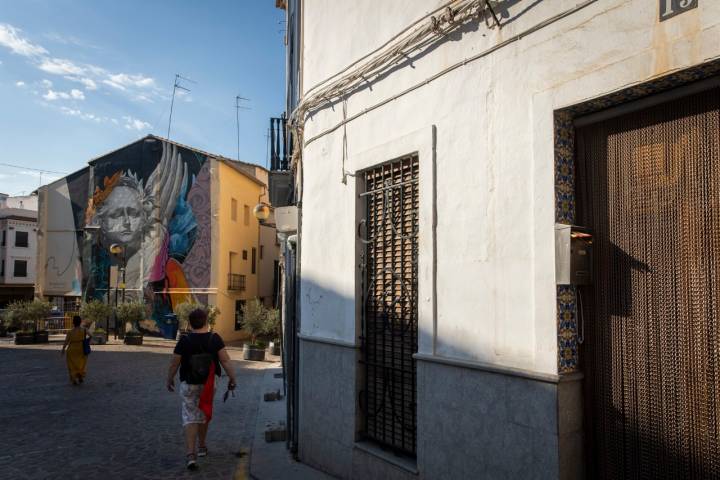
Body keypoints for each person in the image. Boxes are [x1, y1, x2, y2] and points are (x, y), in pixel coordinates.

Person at [167, 309, 237, 471]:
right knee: (204, 411)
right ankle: (202, 446)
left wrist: (169, 378)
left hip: (189, 384)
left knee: (190, 416)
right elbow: (225, 360)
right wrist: (233, 378)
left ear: (190, 323)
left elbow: (174, 362)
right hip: (209, 384)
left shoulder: (184, 341)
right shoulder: (215, 338)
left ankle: (190, 454)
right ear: (206, 322)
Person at [60, 316, 89, 385]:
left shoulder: (70, 332)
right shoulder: (84, 330)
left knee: (72, 365)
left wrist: (63, 349)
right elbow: (91, 335)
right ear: (80, 322)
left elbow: (66, 341)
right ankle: (80, 375)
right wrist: (86, 341)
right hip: (81, 349)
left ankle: (73, 379)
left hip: (72, 349)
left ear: (73, 322)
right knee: (81, 363)